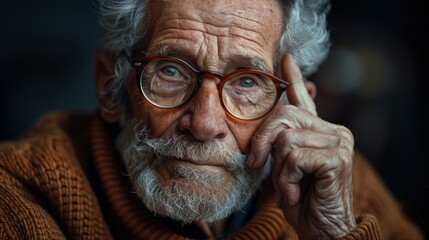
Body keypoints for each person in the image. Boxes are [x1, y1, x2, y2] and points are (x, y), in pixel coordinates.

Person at [0, 0, 424, 239]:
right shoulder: (18, 196)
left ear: (296, 107)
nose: (204, 123)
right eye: (170, 70)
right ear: (111, 85)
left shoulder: (345, 193)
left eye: (247, 82)